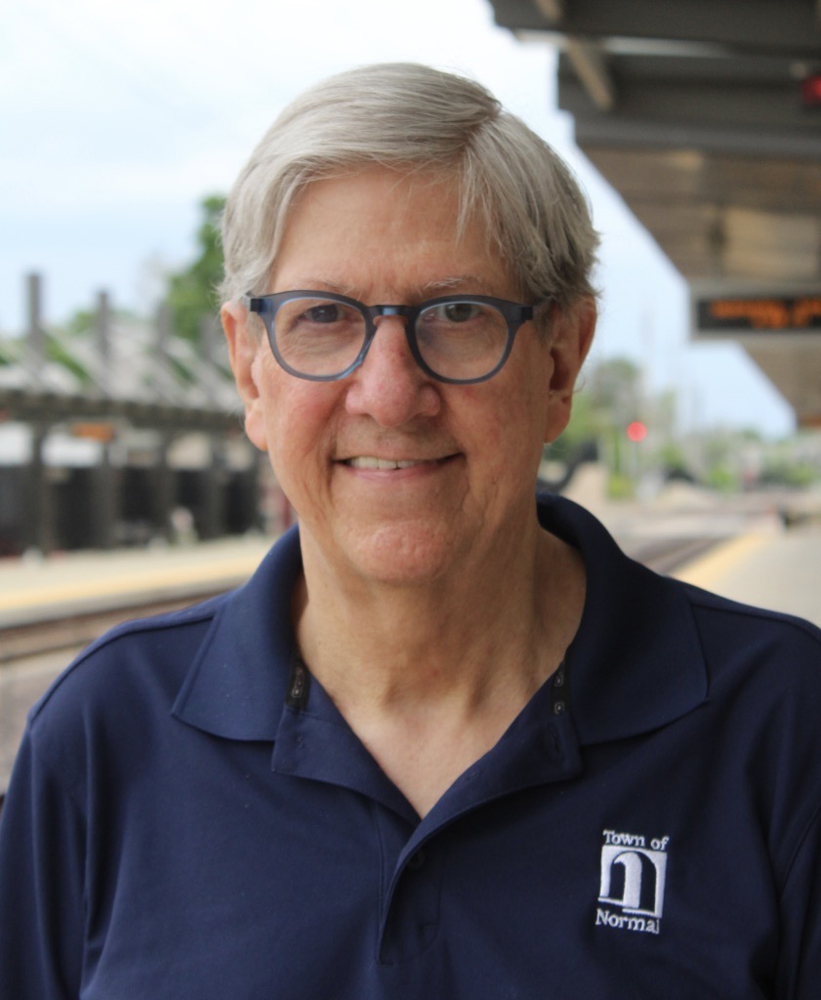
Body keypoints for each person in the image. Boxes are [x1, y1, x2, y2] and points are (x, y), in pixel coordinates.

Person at [1, 62, 819, 999]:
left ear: (560, 360)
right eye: (320, 318)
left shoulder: (784, 726)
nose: (389, 394)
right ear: (248, 370)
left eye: (457, 314)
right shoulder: (106, 736)